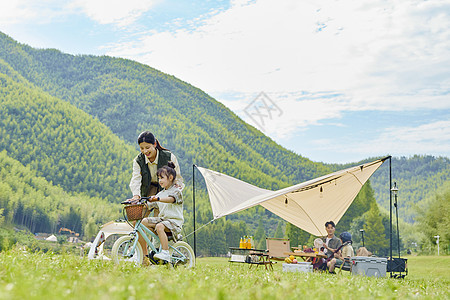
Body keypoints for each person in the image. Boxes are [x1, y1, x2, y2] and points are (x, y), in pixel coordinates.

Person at [128, 131, 184, 260]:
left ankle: (159, 252)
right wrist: (136, 196)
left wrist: (174, 191)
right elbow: (136, 179)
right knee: (138, 221)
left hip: (164, 192)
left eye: (148, 147)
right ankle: (143, 256)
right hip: (147, 190)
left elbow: (178, 178)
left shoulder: (168, 156)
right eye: (142, 148)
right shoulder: (138, 160)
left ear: (154, 144)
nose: (145, 151)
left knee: (159, 222)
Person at [140, 162, 183, 262]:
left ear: (171, 177)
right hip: (163, 220)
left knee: (159, 226)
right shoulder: (161, 193)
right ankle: (158, 243)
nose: (159, 181)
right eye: (158, 178)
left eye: (162, 178)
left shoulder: (176, 191)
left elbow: (171, 199)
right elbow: (149, 205)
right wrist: (137, 202)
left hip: (174, 222)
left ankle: (165, 252)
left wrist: (158, 199)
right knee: (144, 222)